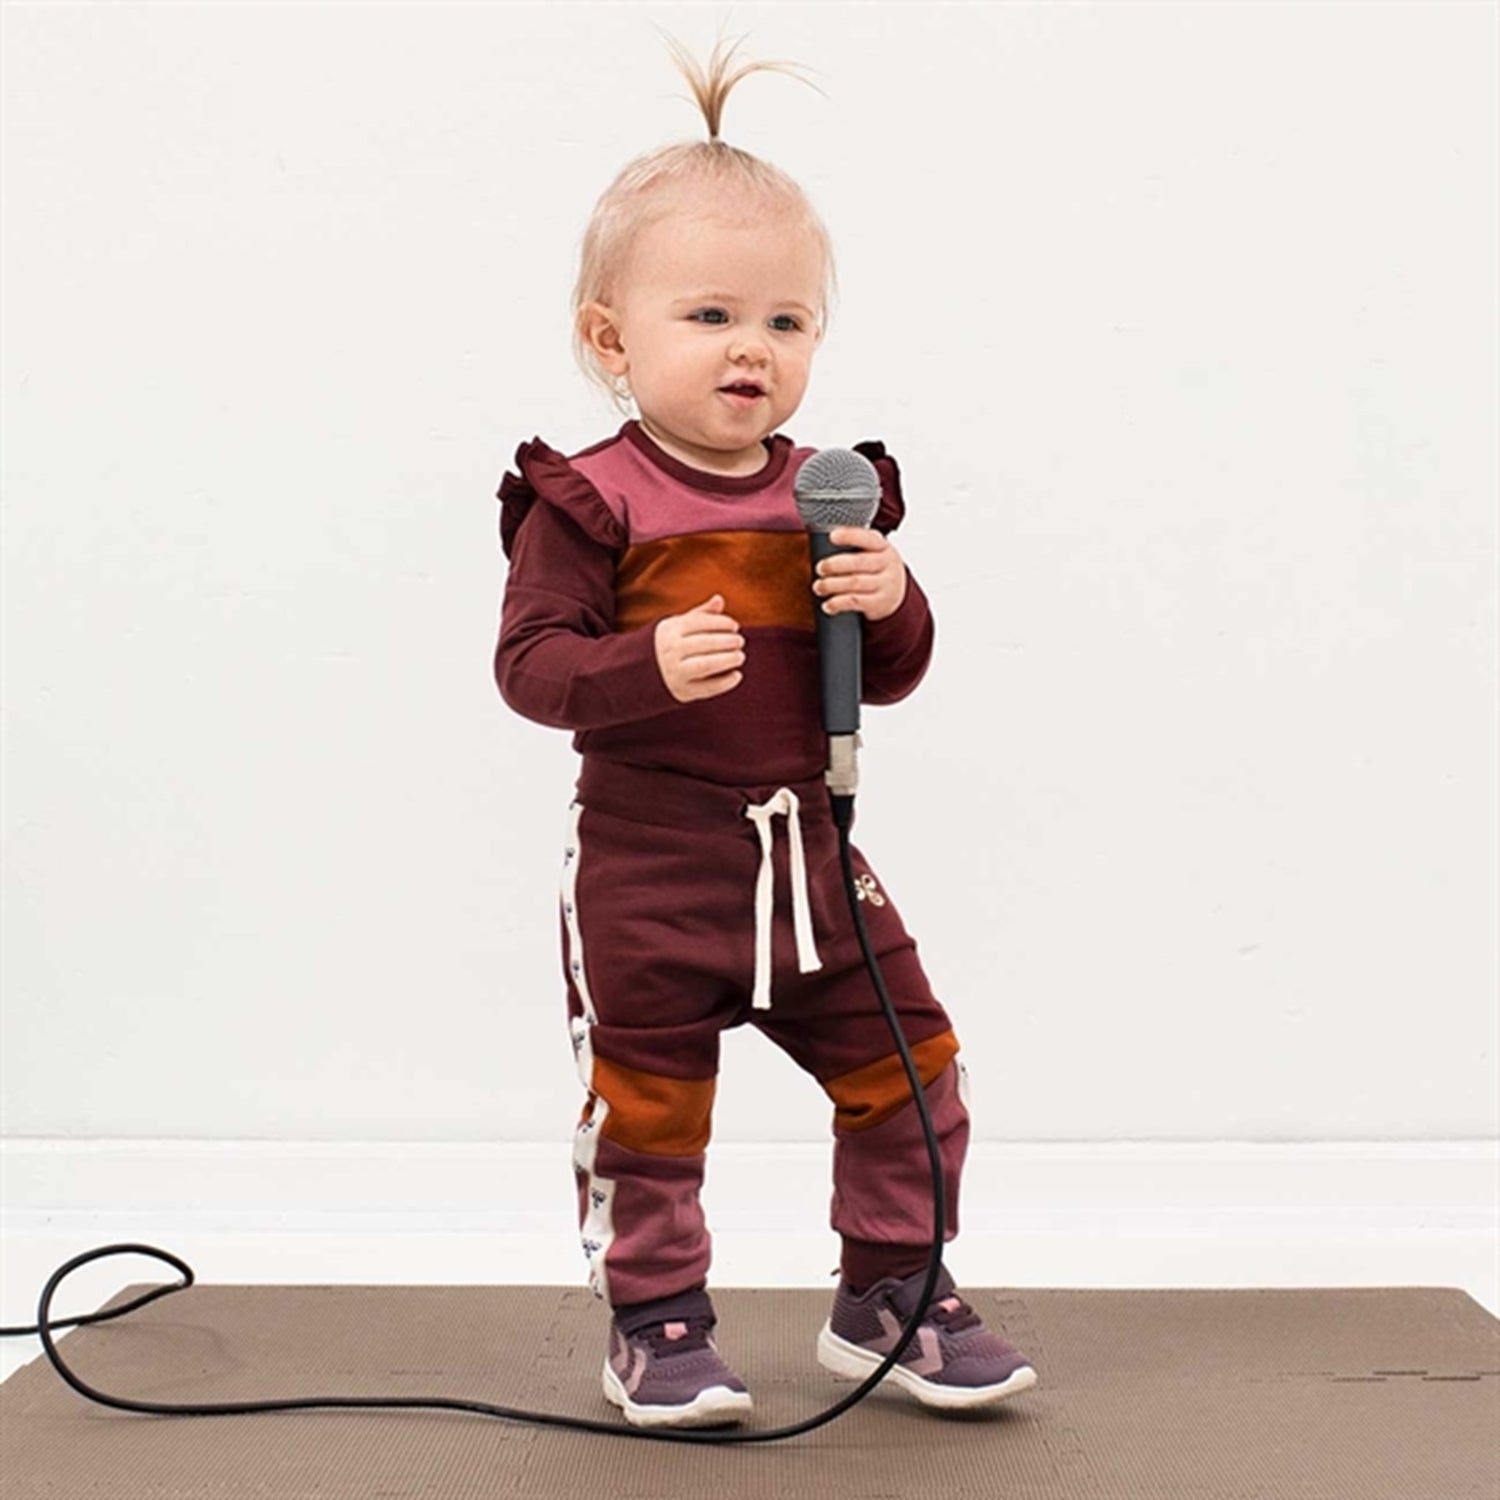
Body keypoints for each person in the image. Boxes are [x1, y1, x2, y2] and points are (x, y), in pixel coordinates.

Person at [493, 37, 1036, 1430]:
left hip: (810, 855)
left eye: (788, 322)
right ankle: (658, 1324)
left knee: (911, 1067)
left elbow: (890, 675)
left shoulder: (830, 493)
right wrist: (643, 665)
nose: (754, 347)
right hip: (652, 867)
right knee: (650, 1109)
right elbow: (532, 669)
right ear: (611, 340)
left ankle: (891, 1292)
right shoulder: (591, 502)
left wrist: (893, 600)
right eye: (712, 314)